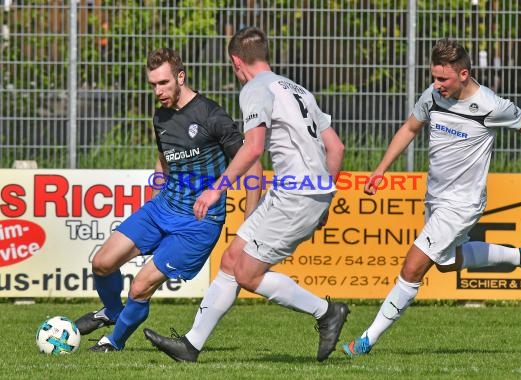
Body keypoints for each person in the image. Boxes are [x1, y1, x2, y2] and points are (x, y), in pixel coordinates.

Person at [143, 26, 349, 362]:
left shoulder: (255, 88)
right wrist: (326, 194)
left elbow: (253, 148)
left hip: (294, 195)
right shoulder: (298, 89)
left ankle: (326, 312)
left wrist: (215, 189)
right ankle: (191, 346)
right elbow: (336, 148)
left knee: (248, 274)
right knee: (231, 259)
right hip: (301, 191)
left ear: (237, 61)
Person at [342, 38, 521, 357]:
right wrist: (381, 169)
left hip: (462, 204)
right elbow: (410, 128)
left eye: (443, 79)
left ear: (463, 74)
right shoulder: (434, 96)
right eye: (434, 77)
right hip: (436, 199)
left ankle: (366, 340)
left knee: (412, 268)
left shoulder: (491, 106)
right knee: (447, 262)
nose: (436, 85)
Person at [74, 47, 262, 352]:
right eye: (153, 85)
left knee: (140, 286)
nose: (158, 91)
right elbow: (163, 160)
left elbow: (253, 164)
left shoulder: (210, 114)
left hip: (198, 224)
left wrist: (250, 220)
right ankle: (111, 312)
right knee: (102, 264)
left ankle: (114, 342)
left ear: (181, 77)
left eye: (163, 83)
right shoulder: (160, 116)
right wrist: (152, 200)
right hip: (162, 209)